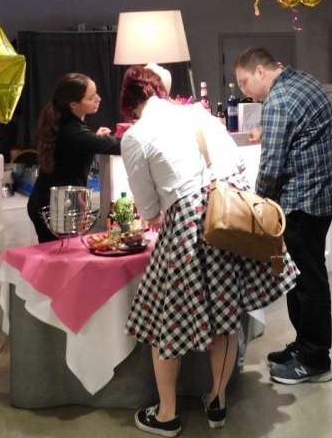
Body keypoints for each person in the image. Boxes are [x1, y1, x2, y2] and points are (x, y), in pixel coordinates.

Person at [120, 66, 297, 436]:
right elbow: (237, 164)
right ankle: (217, 401)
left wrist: (160, 211)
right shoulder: (197, 113)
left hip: (186, 223)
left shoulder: (135, 135)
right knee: (225, 315)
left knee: (167, 321)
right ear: (162, 92)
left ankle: (167, 414)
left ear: (131, 103)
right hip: (227, 217)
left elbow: (148, 208)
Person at [234, 47, 332, 385]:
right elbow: (300, 135)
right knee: (302, 278)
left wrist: (256, 206)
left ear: (260, 71)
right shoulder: (303, 80)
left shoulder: (277, 102)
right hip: (322, 197)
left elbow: (271, 168)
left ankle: (315, 360)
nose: (244, 91)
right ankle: (304, 346)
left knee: (306, 282)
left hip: (301, 203)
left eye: (244, 82)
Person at [29, 73, 123, 243]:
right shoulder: (75, 133)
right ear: (73, 104)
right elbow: (119, 146)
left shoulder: (66, 124)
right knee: (61, 253)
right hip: (55, 207)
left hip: (49, 200)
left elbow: (77, 145)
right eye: (91, 97)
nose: (99, 99)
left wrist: (94, 139)